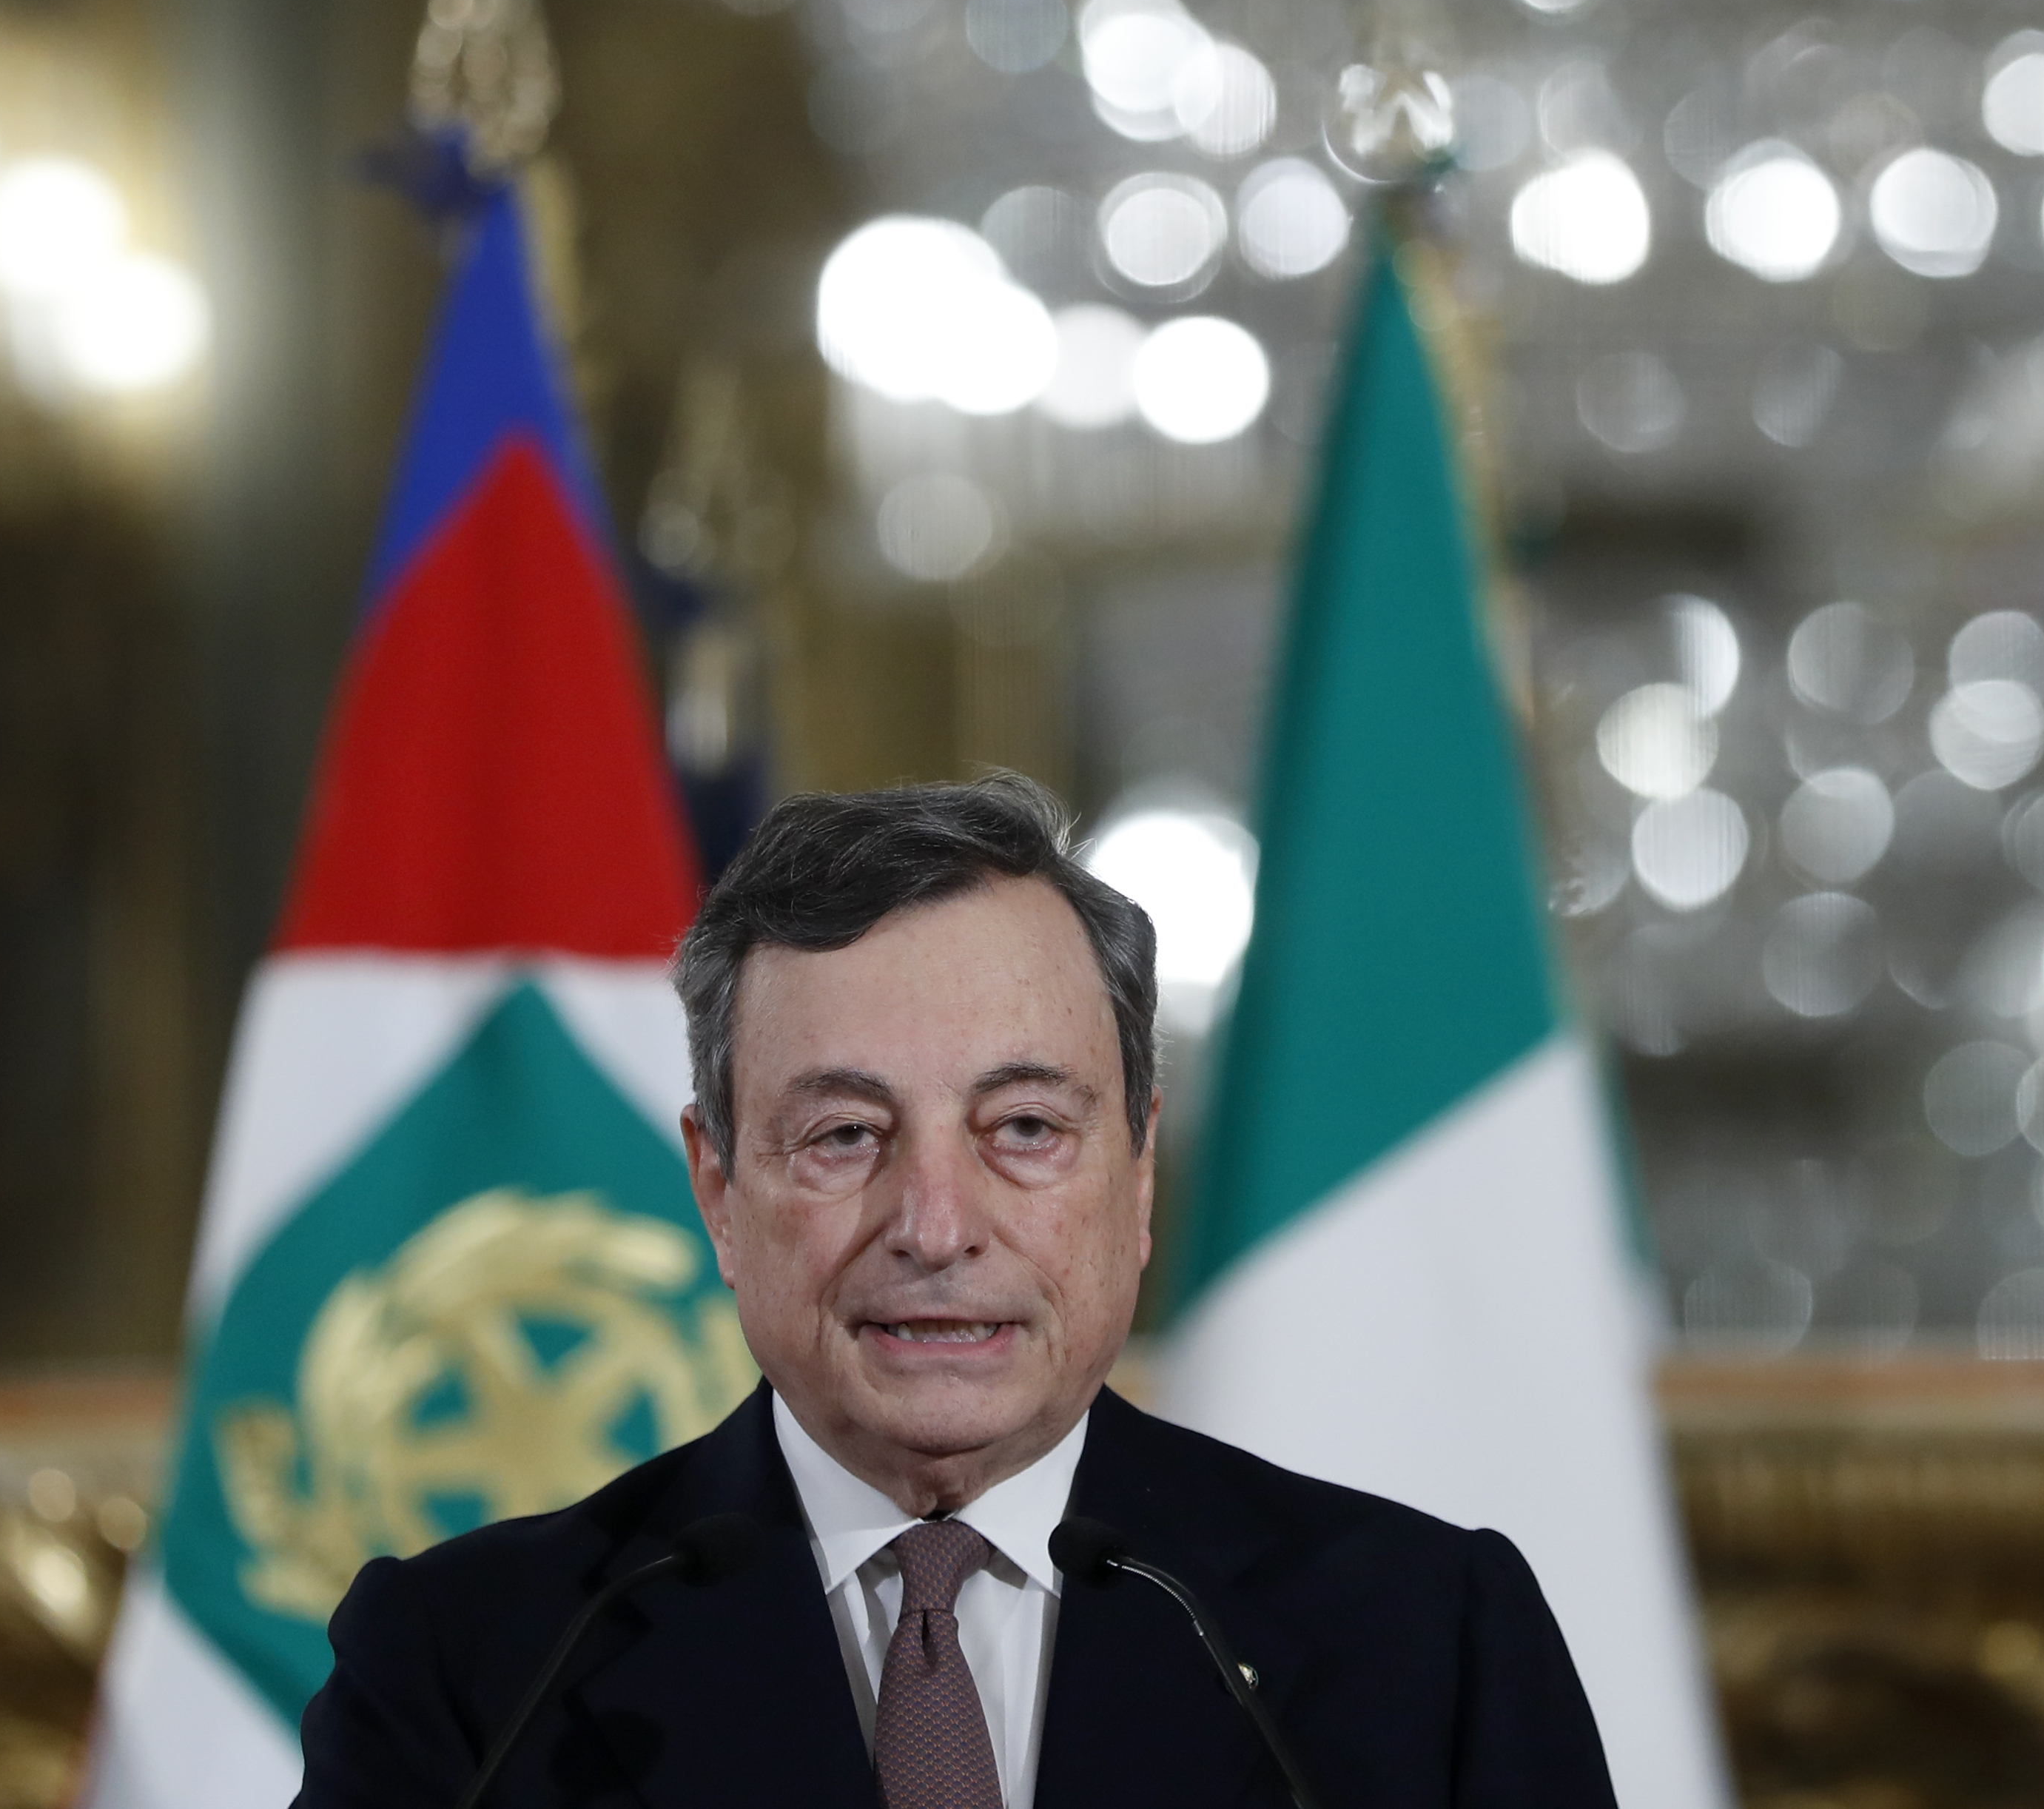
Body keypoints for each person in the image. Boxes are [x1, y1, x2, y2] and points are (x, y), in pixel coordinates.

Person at [294, 774, 1618, 1809]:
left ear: (1139, 1170)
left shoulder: (1426, 1645)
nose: (934, 1227)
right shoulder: (473, 1670)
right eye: (844, 1137)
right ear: (718, 1188)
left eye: (1026, 1128)